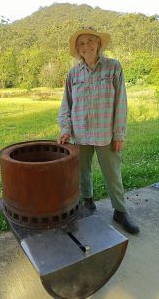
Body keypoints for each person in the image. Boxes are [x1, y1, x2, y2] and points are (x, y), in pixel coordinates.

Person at [57, 27, 139, 234]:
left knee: (113, 173)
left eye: (90, 41)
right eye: (81, 43)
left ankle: (120, 211)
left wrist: (119, 133)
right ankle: (88, 203)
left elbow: (121, 102)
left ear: (99, 43)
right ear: (77, 49)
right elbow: (66, 104)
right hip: (80, 134)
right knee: (82, 172)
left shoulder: (113, 67)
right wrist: (66, 129)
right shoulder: (73, 73)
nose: (86, 46)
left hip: (106, 134)